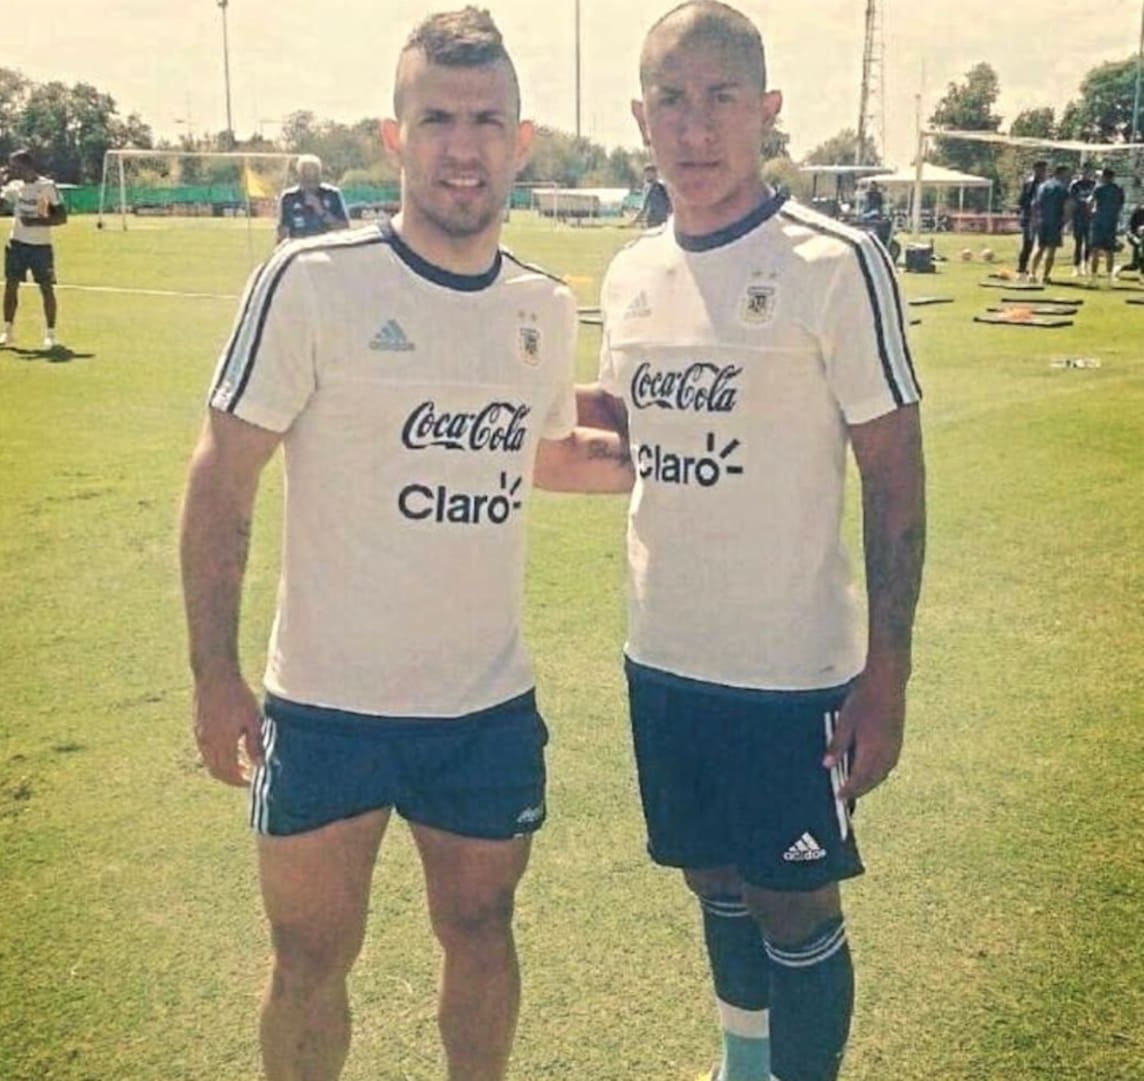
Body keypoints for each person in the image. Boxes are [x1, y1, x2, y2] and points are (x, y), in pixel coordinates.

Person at [179, 8, 629, 1081]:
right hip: (325, 706)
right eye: (437, 120)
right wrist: (213, 673)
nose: (462, 147)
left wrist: (695, 458)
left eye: (487, 121)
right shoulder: (313, 281)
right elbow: (223, 473)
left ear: (523, 140)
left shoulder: (541, 305)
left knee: (481, 932)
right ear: (394, 138)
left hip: (482, 709)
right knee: (309, 956)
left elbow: (536, 451)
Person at [577, 4, 925, 1080]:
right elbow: (624, 434)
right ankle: (743, 1062)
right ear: (640, 117)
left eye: (721, 97)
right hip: (665, 655)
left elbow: (895, 474)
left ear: (768, 111)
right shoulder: (631, 272)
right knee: (714, 877)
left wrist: (888, 673)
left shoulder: (835, 261)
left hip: (790, 672)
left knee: (794, 898)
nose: (695, 127)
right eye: (672, 101)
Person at [0, 149, 67, 350]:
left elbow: (61, 217)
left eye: (14, 166)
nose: (11, 170)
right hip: (16, 244)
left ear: (27, 166)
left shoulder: (47, 186)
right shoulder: (15, 187)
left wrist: (35, 222)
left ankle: (50, 335)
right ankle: (7, 331)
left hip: (40, 247)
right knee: (11, 286)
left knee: (46, 288)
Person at [276, 153, 350, 242]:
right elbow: (283, 233)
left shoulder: (332, 194)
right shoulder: (289, 197)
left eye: (314, 174)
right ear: (300, 175)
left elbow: (344, 228)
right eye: (306, 175)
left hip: (326, 245)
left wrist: (321, 211)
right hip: (300, 247)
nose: (310, 178)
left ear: (319, 174)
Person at [1029, 163, 1071, 284]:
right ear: (1061, 174)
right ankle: (1045, 276)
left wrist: (1034, 219)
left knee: (1039, 248)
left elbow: (1034, 204)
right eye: (1067, 174)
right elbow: (1067, 206)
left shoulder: (1042, 186)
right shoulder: (1062, 188)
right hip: (1055, 222)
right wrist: (1065, 221)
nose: (1068, 177)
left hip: (1042, 220)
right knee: (1051, 250)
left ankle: (1032, 274)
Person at [1088, 166, 1126, 282]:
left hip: (1099, 221)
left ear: (1104, 176)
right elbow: (1120, 205)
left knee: (1095, 249)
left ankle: (1094, 277)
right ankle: (1109, 276)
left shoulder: (1099, 188)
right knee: (1110, 251)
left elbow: (1090, 201)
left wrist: (1092, 212)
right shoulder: (1118, 189)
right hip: (1111, 222)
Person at [1016, 159, 1047, 280]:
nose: (1042, 172)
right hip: (1029, 218)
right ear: (1035, 170)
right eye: (1040, 170)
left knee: (1041, 246)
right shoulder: (1029, 183)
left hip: (1042, 218)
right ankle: (1021, 270)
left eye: (1044, 170)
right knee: (1027, 244)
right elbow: (1022, 201)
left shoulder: (1046, 184)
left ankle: (1034, 270)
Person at [1067, 162, 1096, 276]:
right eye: (1085, 170)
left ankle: (1085, 265)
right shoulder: (1075, 184)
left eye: (1089, 170)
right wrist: (1070, 218)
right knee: (1078, 242)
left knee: (1089, 242)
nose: (1087, 173)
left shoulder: (1094, 184)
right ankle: (1076, 266)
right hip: (1078, 216)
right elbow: (1071, 201)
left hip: (1090, 217)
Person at [630, 162, 673, 227]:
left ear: (655, 174)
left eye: (649, 174)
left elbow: (670, 204)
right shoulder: (647, 187)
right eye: (646, 174)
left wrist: (634, 220)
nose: (647, 176)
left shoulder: (661, 187)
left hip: (660, 221)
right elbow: (644, 206)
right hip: (652, 220)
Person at [1123, 198, 1144, 273]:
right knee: (1135, 265)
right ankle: (1118, 269)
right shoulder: (1137, 213)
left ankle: (1141, 268)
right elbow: (1129, 230)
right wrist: (1134, 237)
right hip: (1133, 236)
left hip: (1140, 238)